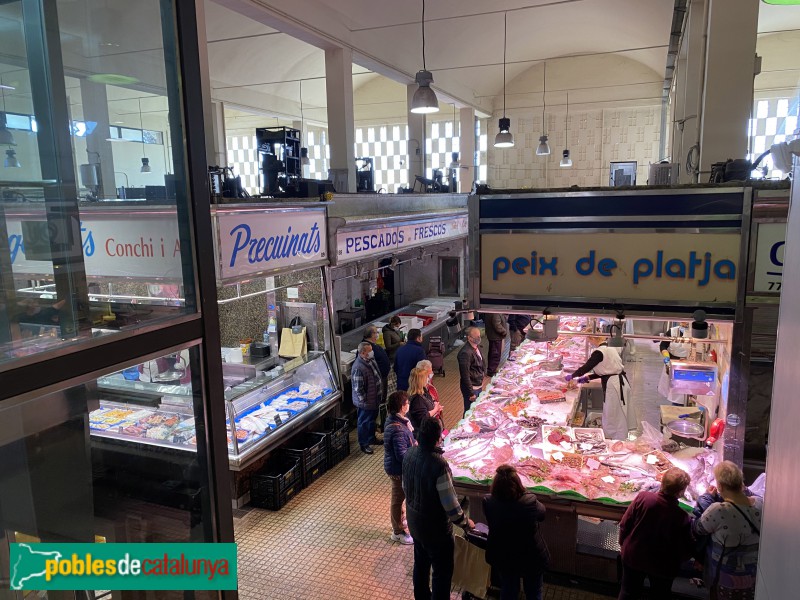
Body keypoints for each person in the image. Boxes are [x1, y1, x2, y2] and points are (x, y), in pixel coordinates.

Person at [403, 417, 474, 600]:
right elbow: (450, 505)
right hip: (435, 531)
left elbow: (406, 488)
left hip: (415, 523)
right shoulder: (439, 465)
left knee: (420, 565)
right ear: (437, 439)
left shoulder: (409, 454)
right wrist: (466, 523)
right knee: (441, 574)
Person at [617, 467, 694, 600]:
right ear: (681, 492)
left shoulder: (643, 498)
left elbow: (625, 524)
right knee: (660, 596)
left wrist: (623, 544)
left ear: (662, 483)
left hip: (633, 555)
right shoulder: (682, 517)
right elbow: (685, 549)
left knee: (628, 593)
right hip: (663, 566)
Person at [693, 461, 762, 600]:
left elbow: (698, 528)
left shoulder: (718, 510)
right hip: (753, 574)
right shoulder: (760, 504)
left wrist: (706, 498)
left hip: (725, 577)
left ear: (720, 486)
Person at [483, 464, 549, 600]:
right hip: (530, 556)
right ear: (518, 484)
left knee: (508, 589)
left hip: (503, 555)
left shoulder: (488, 502)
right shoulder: (529, 501)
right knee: (534, 591)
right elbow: (542, 514)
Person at [565, 337, 635, 440]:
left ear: (593, 338)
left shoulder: (599, 352)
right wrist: (589, 377)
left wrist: (573, 375)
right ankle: (615, 439)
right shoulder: (610, 348)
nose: (589, 343)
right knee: (616, 413)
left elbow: (586, 367)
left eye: (589, 340)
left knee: (614, 414)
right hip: (619, 382)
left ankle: (615, 441)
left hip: (614, 385)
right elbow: (608, 369)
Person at [383, 390, 416, 545]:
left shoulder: (400, 421)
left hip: (399, 468)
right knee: (398, 499)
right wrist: (415, 452)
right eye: (407, 403)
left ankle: (400, 522)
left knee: (400, 497)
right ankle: (397, 531)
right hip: (397, 470)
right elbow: (401, 455)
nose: (408, 404)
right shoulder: (396, 428)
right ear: (402, 406)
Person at [351, 341, 383, 454]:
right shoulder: (358, 368)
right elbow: (358, 388)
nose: (372, 352)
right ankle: (364, 444)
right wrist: (364, 401)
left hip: (374, 398)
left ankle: (371, 438)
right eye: (370, 351)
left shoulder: (370, 360)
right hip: (366, 402)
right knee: (364, 422)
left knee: (371, 421)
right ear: (363, 352)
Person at [363, 324, 391, 431]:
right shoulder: (366, 347)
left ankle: (378, 427)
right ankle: (369, 434)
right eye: (376, 332)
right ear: (371, 335)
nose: (377, 334)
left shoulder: (373, 345)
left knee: (380, 405)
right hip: (374, 384)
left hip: (380, 380)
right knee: (371, 410)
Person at [457, 326, 485, 415]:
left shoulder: (477, 347)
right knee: (469, 412)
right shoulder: (465, 353)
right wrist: (471, 393)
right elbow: (465, 375)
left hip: (478, 384)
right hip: (472, 388)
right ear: (469, 338)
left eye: (479, 336)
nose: (479, 338)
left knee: (476, 410)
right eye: (476, 337)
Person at [407, 367, 443, 433]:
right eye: (426, 377)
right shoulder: (417, 399)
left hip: (431, 430)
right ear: (421, 380)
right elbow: (423, 418)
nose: (428, 379)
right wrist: (435, 409)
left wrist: (436, 406)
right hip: (424, 434)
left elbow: (430, 402)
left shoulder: (424, 391)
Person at [383, 316, 405, 396]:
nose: (398, 328)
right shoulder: (387, 333)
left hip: (399, 355)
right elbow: (388, 347)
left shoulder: (396, 330)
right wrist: (398, 344)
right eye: (397, 326)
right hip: (392, 357)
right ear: (392, 324)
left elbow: (399, 337)